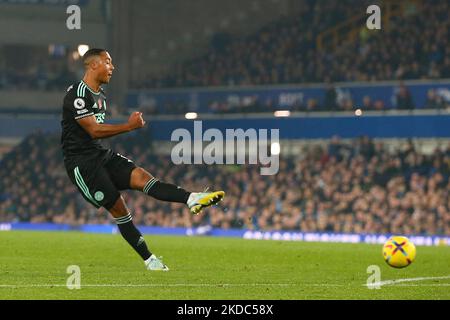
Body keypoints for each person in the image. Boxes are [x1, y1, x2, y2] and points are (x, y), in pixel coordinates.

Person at [60, 49, 224, 271]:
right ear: (93, 65)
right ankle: (150, 260)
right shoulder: (78, 94)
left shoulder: (101, 95)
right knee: (120, 209)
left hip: (99, 154)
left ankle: (192, 198)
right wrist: (129, 126)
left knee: (143, 177)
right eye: (108, 62)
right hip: (82, 164)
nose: (113, 67)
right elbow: (94, 130)